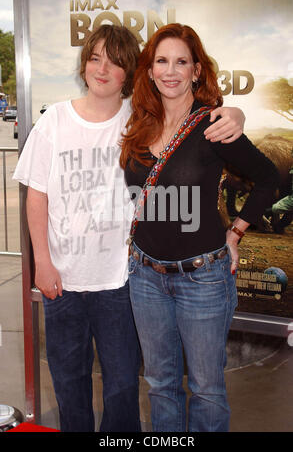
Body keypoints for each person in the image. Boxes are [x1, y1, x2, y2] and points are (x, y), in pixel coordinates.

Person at [13, 23, 246, 432]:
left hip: (123, 280)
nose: (102, 69)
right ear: (84, 63)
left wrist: (235, 112)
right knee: (69, 383)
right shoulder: (53, 122)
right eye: (95, 57)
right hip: (62, 281)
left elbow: (196, 119)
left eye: (116, 62)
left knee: (123, 387)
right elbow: (37, 196)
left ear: (131, 74)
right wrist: (42, 264)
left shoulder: (141, 119)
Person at [120, 23, 279, 432]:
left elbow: (271, 179)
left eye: (181, 62)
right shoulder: (141, 122)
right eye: (161, 61)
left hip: (202, 279)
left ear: (196, 71)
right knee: (159, 384)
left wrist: (236, 231)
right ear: (150, 71)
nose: (170, 70)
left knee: (207, 389)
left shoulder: (213, 125)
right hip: (144, 276)